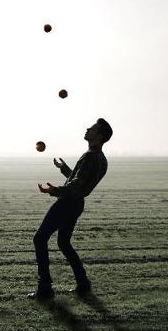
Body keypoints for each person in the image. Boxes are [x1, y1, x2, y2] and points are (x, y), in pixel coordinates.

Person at [27, 118, 113, 300]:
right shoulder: (101, 158)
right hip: (77, 204)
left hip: (67, 203)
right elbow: (81, 181)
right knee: (63, 243)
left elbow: (76, 186)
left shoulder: (90, 156)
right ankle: (83, 283)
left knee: (40, 238)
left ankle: (45, 287)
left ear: (99, 136)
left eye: (93, 128)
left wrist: (54, 190)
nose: (88, 128)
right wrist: (64, 169)